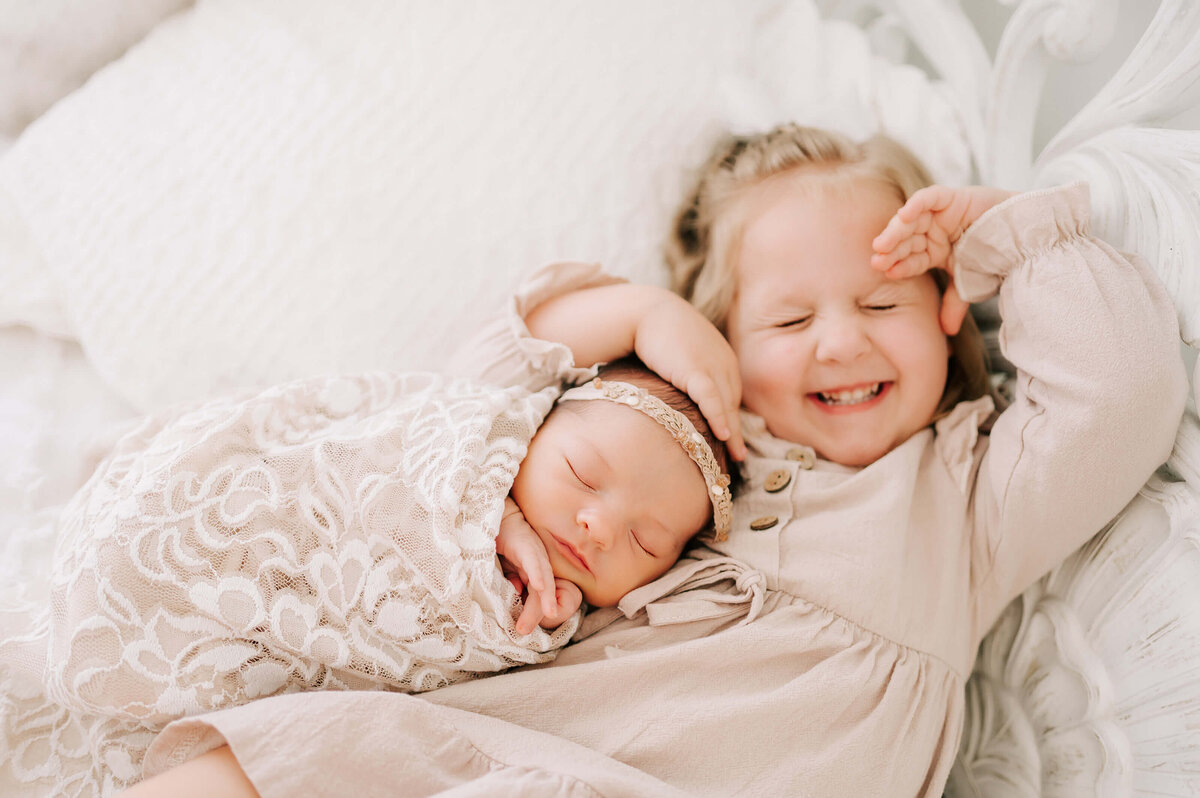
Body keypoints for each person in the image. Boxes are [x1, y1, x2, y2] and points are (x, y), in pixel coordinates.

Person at [123, 124, 1186, 798]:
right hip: (508, 743)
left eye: (882, 304)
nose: (840, 342)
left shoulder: (962, 504)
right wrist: (641, 317)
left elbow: (1124, 396)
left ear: (948, 314)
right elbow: (477, 391)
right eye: (787, 318)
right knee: (246, 765)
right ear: (721, 340)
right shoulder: (673, 438)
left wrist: (1008, 239)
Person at [1, 358, 731, 797]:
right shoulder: (469, 440)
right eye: (582, 474)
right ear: (534, 427)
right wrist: (479, 516)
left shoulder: (561, 618)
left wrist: (502, 605)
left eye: (646, 541)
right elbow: (357, 472)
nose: (599, 528)